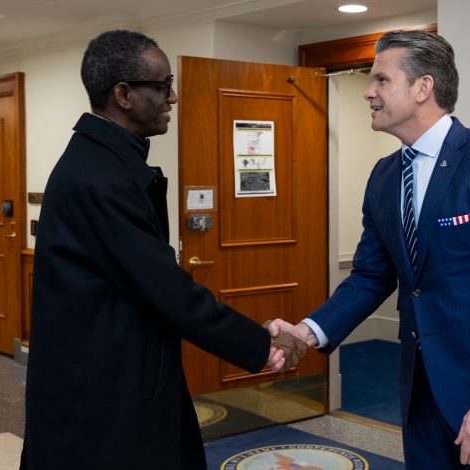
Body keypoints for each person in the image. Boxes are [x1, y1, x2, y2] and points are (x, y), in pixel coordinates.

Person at [270, 30, 470, 469]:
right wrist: (309, 332)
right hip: (420, 392)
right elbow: (371, 275)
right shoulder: (385, 176)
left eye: (381, 80)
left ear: (423, 87)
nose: (368, 92)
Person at [21, 30, 304, 469]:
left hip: (111, 377)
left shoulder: (103, 162)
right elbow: (167, 290)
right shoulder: (101, 179)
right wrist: (259, 344)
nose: (172, 97)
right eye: (163, 85)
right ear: (124, 94)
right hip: (104, 393)